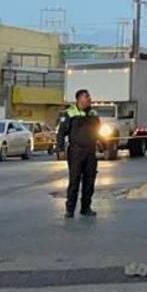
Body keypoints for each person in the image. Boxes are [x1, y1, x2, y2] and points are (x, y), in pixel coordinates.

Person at [57, 89, 101, 218]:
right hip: (76, 152)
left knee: (89, 181)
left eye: (89, 96)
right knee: (74, 181)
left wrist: (102, 145)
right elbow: (61, 133)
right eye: (86, 97)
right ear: (79, 99)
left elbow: (98, 131)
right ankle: (70, 209)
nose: (89, 99)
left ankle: (85, 208)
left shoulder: (93, 114)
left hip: (90, 152)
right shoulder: (70, 113)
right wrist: (60, 149)